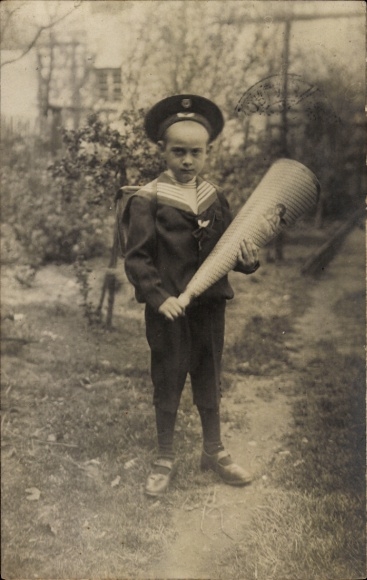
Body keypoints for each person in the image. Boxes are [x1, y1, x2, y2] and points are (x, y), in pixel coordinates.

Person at [122, 95, 259, 497]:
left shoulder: (216, 197)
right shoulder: (148, 198)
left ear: (207, 152)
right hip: (168, 310)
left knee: (209, 374)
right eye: (178, 152)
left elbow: (231, 249)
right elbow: (138, 259)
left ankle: (213, 450)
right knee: (167, 377)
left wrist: (248, 261)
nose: (187, 161)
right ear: (162, 150)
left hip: (209, 307)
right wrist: (157, 296)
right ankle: (164, 457)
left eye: (195, 153)